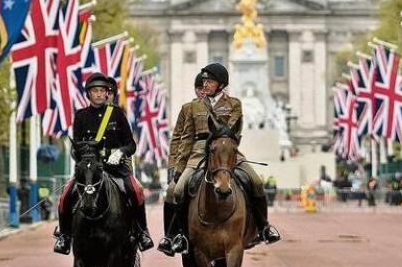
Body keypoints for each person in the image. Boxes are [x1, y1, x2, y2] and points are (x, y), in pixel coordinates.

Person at [157, 63, 280, 256]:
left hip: (227, 153)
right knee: (176, 189)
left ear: (221, 84)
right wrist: (178, 167)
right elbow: (187, 138)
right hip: (198, 153)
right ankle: (174, 235)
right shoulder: (192, 107)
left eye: (210, 81)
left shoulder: (234, 104)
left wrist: (218, 142)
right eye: (204, 81)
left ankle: (264, 228)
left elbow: (232, 132)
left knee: (256, 182)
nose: (205, 84)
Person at [52, 73, 153, 254]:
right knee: (65, 196)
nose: (99, 94)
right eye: (95, 91)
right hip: (91, 170)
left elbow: (131, 144)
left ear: (107, 94)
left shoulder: (117, 114)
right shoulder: (81, 116)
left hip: (116, 167)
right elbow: (76, 148)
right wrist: (86, 159)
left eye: (102, 91)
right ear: (88, 94)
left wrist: (120, 152)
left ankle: (141, 232)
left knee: (135, 191)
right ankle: (65, 236)